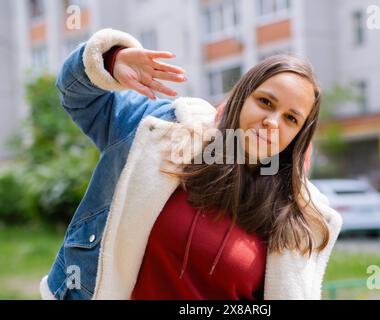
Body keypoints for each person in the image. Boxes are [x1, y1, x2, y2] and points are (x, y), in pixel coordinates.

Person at [40, 28, 342, 300]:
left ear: (299, 135)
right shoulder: (161, 130)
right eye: (265, 102)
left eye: (291, 119)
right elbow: (77, 94)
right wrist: (110, 61)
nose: (272, 123)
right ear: (241, 98)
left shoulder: (295, 215)